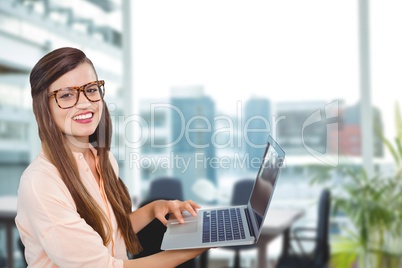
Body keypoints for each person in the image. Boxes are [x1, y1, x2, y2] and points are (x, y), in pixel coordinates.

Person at [15, 47, 208, 267]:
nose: (85, 102)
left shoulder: (101, 160)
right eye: (67, 95)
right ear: (43, 107)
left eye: (91, 89)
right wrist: (188, 251)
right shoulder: (41, 183)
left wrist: (155, 208)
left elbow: (110, 233)